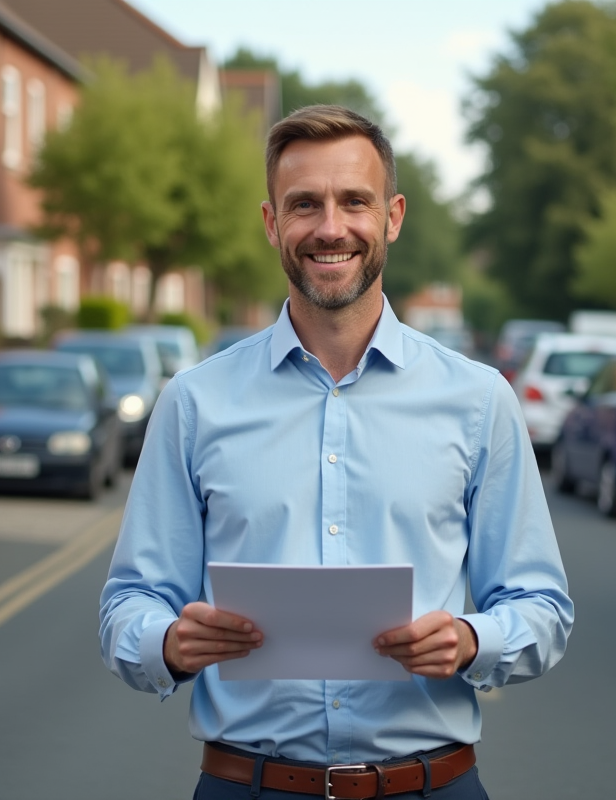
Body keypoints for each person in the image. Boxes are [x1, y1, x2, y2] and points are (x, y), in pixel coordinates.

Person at [99, 105, 573, 799]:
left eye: (354, 201)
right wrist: (167, 643)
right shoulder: (195, 402)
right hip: (246, 784)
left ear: (393, 217)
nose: (330, 227)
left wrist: (472, 640)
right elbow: (127, 605)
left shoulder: (480, 400)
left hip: (429, 784)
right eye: (304, 205)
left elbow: (541, 605)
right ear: (271, 224)